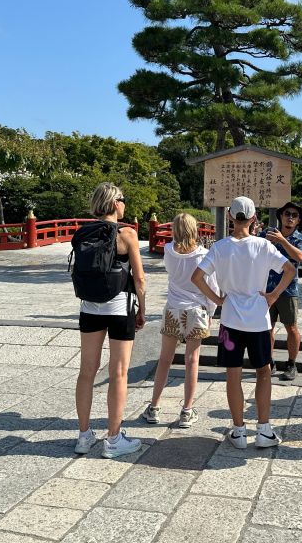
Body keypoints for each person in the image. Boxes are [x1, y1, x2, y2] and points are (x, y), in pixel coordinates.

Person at [191, 196, 295, 450]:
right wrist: (273, 295)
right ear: (253, 218)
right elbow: (290, 269)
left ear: (229, 216)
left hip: (230, 320)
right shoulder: (263, 246)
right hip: (259, 319)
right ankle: (264, 429)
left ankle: (238, 430)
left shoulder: (220, 247)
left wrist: (218, 299)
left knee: (233, 376)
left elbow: (197, 277)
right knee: (264, 373)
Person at [74, 183, 146, 458]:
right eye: (123, 199)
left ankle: (83, 436)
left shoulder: (82, 233)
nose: (125, 203)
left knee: (86, 372)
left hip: (89, 308)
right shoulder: (127, 234)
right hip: (119, 307)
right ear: (115, 204)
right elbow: (139, 278)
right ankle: (114, 439)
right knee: (118, 373)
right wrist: (142, 309)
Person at [142, 213, 217, 428]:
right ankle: (187, 410)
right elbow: (212, 286)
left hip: (173, 308)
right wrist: (210, 312)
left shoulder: (168, 251)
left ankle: (154, 407)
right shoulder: (204, 255)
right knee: (192, 361)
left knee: (165, 359)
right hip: (196, 310)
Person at [260, 201, 302, 381]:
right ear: (280, 216)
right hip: (266, 289)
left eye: (294, 215)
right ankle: (269, 361)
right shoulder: (266, 234)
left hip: (289, 290)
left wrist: (282, 241)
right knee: (267, 328)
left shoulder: (301, 238)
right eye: (287, 213)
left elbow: (300, 256)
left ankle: (291, 363)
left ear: (298, 221)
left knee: (292, 328)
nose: (290, 218)